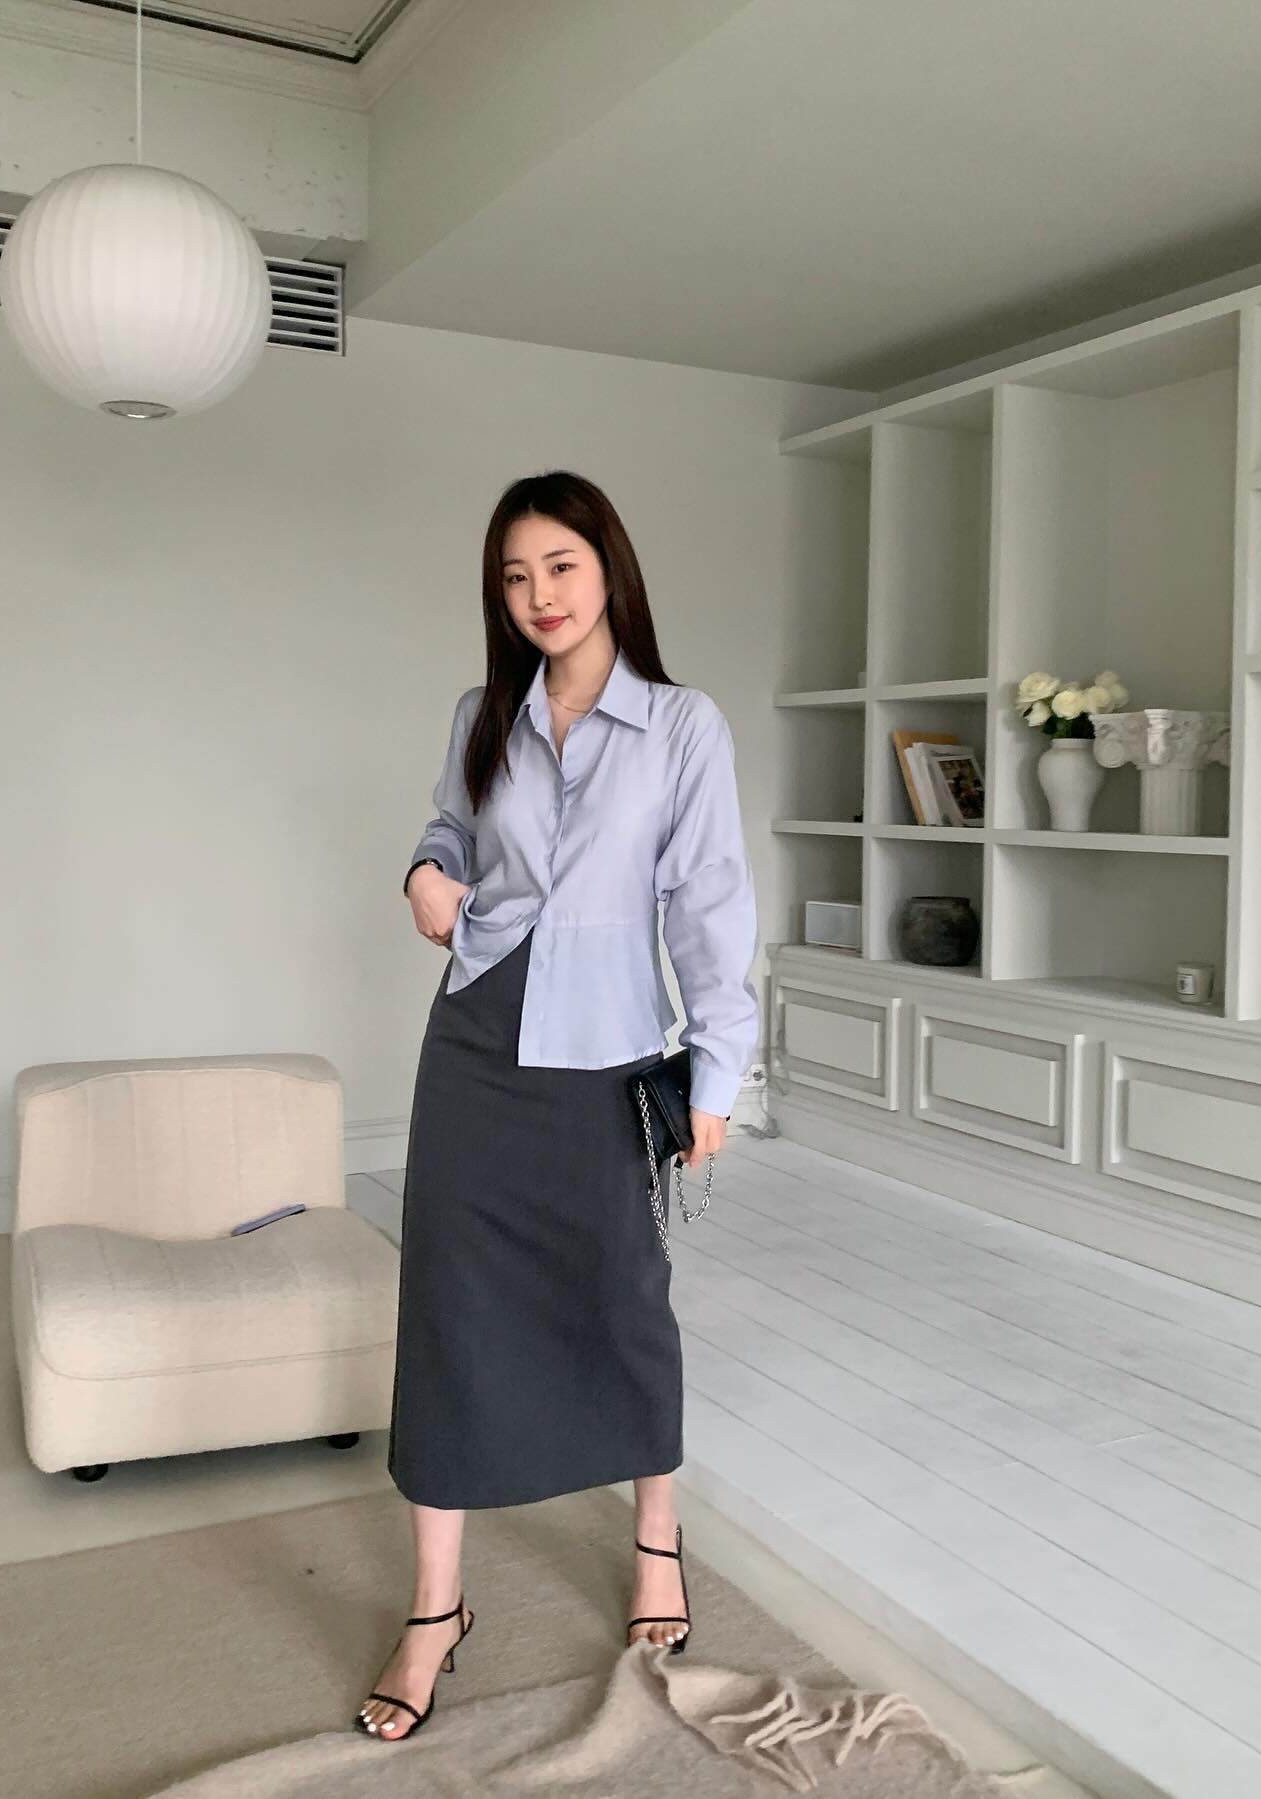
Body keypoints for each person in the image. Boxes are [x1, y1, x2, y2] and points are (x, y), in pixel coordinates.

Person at [355, 469, 760, 1742]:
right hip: (476, 1038)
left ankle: (656, 1538)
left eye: (560, 567)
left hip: (606, 1049)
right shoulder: (485, 713)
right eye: (516, 575)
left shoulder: (682, 724)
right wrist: (426, 871)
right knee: (449, 1298)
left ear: (609, 569)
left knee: (622, 1292)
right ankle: (436, 1608)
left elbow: (710, 901)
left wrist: (719, 1070)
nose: (538, 594)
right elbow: (450, 830)